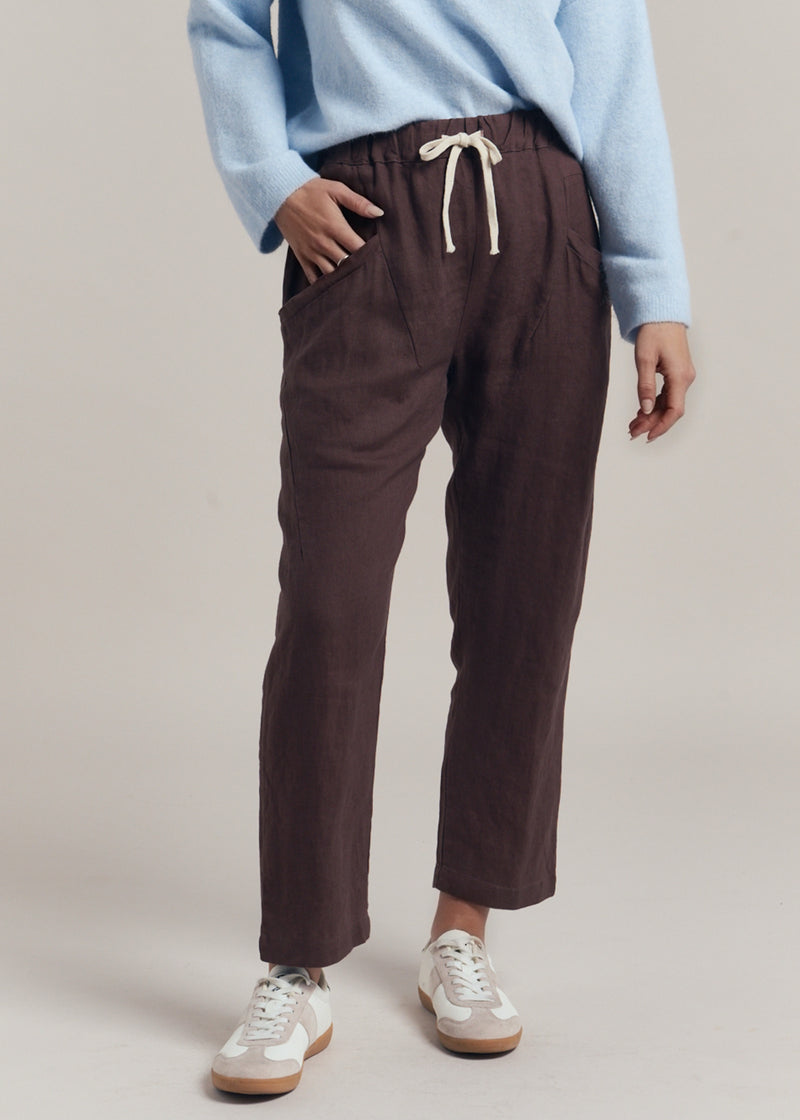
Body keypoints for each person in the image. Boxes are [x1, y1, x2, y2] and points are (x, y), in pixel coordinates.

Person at [186, 0, 697, 1096]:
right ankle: (298, 959)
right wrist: (271, 177)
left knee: (524, 596)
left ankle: (462, 928)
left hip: (543, 217)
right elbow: (223, 19)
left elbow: (612, 61)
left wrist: (654, 286)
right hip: (364, 223)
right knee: (327, 600)